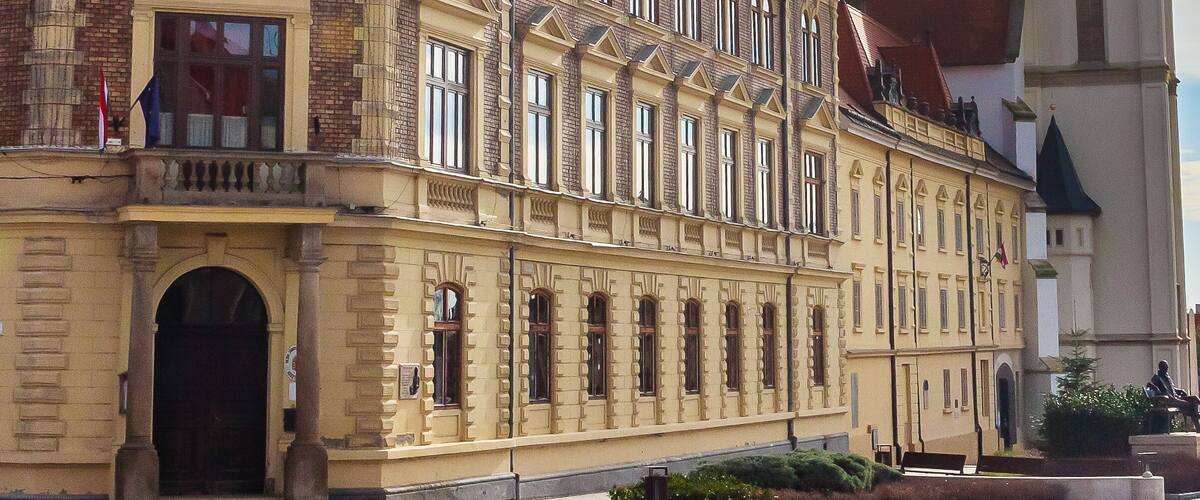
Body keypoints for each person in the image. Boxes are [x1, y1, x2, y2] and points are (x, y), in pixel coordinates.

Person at [1148, 360, 1200, 432]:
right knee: (1190, 405)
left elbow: (1172, 388)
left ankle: (1197, 415)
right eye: (1165, 367)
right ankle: (1198, 423)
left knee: (1194, 399)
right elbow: (1152, 388)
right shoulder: (1157, 378)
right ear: (1161, 368)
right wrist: (1161, 392)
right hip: (1168, 400)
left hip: (1176, 398)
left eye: (1167, 367)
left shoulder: (1168, 377)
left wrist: (1180, 390)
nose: (1167, 369)